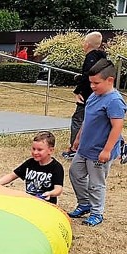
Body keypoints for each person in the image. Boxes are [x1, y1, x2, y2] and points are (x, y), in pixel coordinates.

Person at [68, 58, 126, 226]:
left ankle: (96, 212)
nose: (92, 86)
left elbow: (117, 127)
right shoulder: (94, 96)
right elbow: (88, 119)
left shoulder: (114, 101)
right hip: (85, 147)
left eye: (96, 83)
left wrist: (107, 150)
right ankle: (84, 203)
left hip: (99, 151)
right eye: (91, 82)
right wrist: (78, 138)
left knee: (96, 183)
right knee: (75, 173)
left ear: (110, 80)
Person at [62, 32, 106, 160]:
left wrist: (77, 91)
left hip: (88, 95)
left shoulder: (90, 58)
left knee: (78, 120)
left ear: (86, 44)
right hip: (100, 94)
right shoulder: (103, 58)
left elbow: (88, 76)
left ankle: (75, 149)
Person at [0, 131, 64, 204]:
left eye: (39, 150)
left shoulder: (56, 167)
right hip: (30, 203)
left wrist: (49, 193)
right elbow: (12, 176)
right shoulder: (30, 163)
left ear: (50, 150)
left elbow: (58, 189)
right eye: (33, 149)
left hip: (47, 205)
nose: (35, 152)